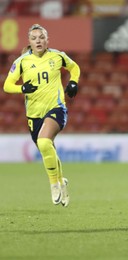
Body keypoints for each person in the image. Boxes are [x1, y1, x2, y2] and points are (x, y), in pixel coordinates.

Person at [3, 24, 80, 207]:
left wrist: (73, 82)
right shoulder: (22, 61)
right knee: (48, 148)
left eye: (41, 37)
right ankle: (61, 181)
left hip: (56, 108)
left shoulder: (58, 56)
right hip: (34, 115)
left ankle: (53, 184)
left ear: (47, 40)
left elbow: (74, 67)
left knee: (44, 142)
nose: (38, 41)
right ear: (29, 41)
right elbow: (7, 85)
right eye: (34, 38)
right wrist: (21, 88)